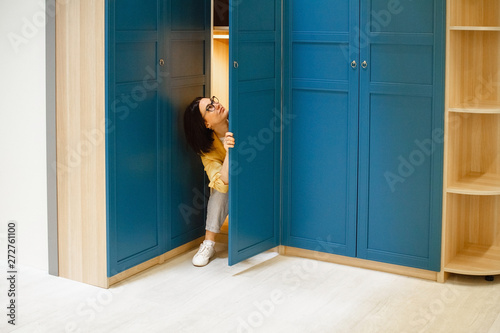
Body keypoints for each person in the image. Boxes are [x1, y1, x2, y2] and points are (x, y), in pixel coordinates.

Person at [183, 96, 235, 267]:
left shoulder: (241, 116)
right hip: (235, 186)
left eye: (213, 101)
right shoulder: (208, 150)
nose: (216, 105)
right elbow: (221, 183)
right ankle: (209, 244)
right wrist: (229, 153)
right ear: (206, 124)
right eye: (209, 108)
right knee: (219, 187)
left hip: (259, 181)